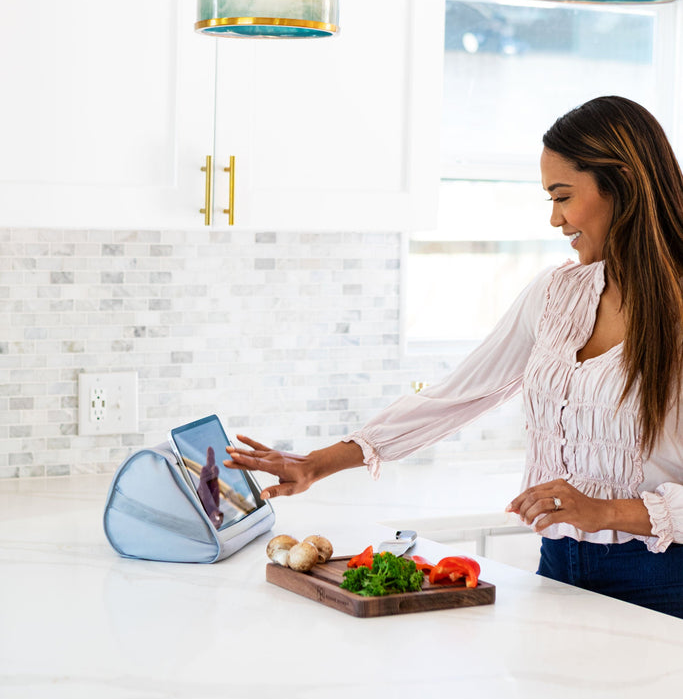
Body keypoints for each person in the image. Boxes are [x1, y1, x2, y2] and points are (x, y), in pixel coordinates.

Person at [225, 96, 683, 618]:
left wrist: (605, 512)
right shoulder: (557, 294)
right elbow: (455, 397)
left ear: (620, 181)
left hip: (664, 579)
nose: (554, 218)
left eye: (563, 196)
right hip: (559, 565)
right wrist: (316, 464)